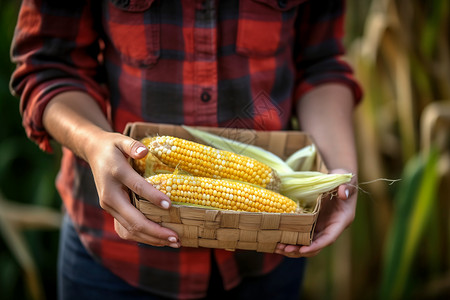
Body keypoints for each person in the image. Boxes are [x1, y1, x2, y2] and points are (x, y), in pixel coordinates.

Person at [10, 0, 362, 299]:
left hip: (267, 255)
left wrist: (338, 173)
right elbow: (48, 66)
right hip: (113, 259)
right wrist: (94, 142)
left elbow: (321, 63)